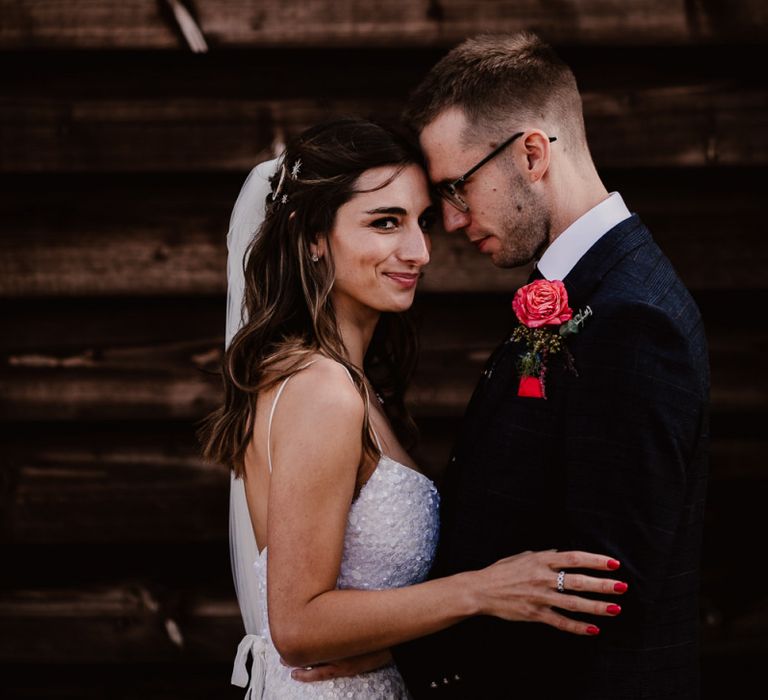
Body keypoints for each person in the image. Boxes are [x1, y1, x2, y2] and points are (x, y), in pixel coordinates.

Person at [297, 33, 710, 699]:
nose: (452, 223)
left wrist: (394, 655)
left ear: (531, 153)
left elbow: (596, 595)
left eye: (458, 188)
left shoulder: (634, 319)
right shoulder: (582, 290)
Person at [198, 118, 628, 699]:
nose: (419, 252)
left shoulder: (351, 381)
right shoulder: (321, 389)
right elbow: (297, 627)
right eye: (385, 223)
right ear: (313, 237)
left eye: (422, 221)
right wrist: (483, 590)